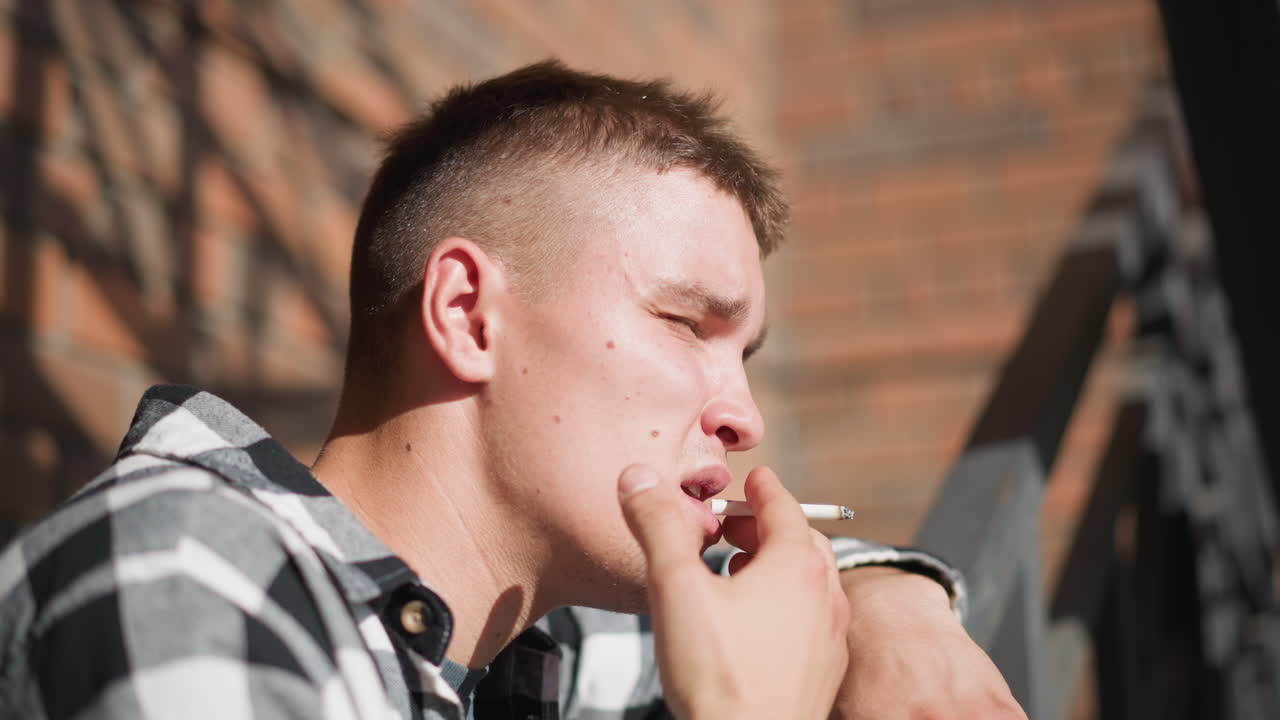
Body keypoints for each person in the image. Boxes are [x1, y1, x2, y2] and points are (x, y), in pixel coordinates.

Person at [0, 62, 1025, 719]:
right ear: (467, 314)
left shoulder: (516, 639)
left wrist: (890, 604)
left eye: (746, 356)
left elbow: (788, 588)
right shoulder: (188, 577)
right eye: (684, 324)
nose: (742, 416)